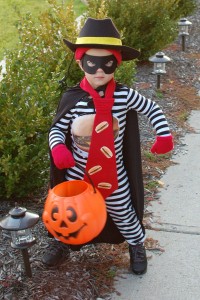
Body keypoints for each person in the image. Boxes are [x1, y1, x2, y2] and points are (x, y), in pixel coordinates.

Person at [42, 18, 174, 275]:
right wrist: (58, 148)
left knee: (124, 212)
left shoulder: (124, 95)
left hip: (113, 174)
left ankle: (136, 245)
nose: (99, 70)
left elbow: (152, 108)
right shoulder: (73, 98)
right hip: (77, 173)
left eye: (107, 62)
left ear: (117, 62)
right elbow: (58, 128)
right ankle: (61, 243)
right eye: (92, 62)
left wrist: (163, 134)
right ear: (80, 62)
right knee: (68, 212)